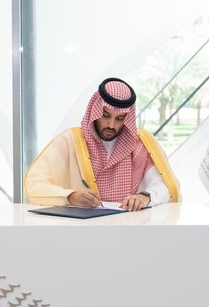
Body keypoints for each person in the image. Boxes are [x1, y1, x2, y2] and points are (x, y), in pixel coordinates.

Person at [24, 77, 179, 211]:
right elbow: (33, 184)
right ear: (95, 111)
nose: (111, 125)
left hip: (129, 228)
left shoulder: (141, 144)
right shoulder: (70, 141)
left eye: (120, 118)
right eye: (106, 115)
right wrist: (71, 196)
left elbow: (166, 186)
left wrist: (145, 196)